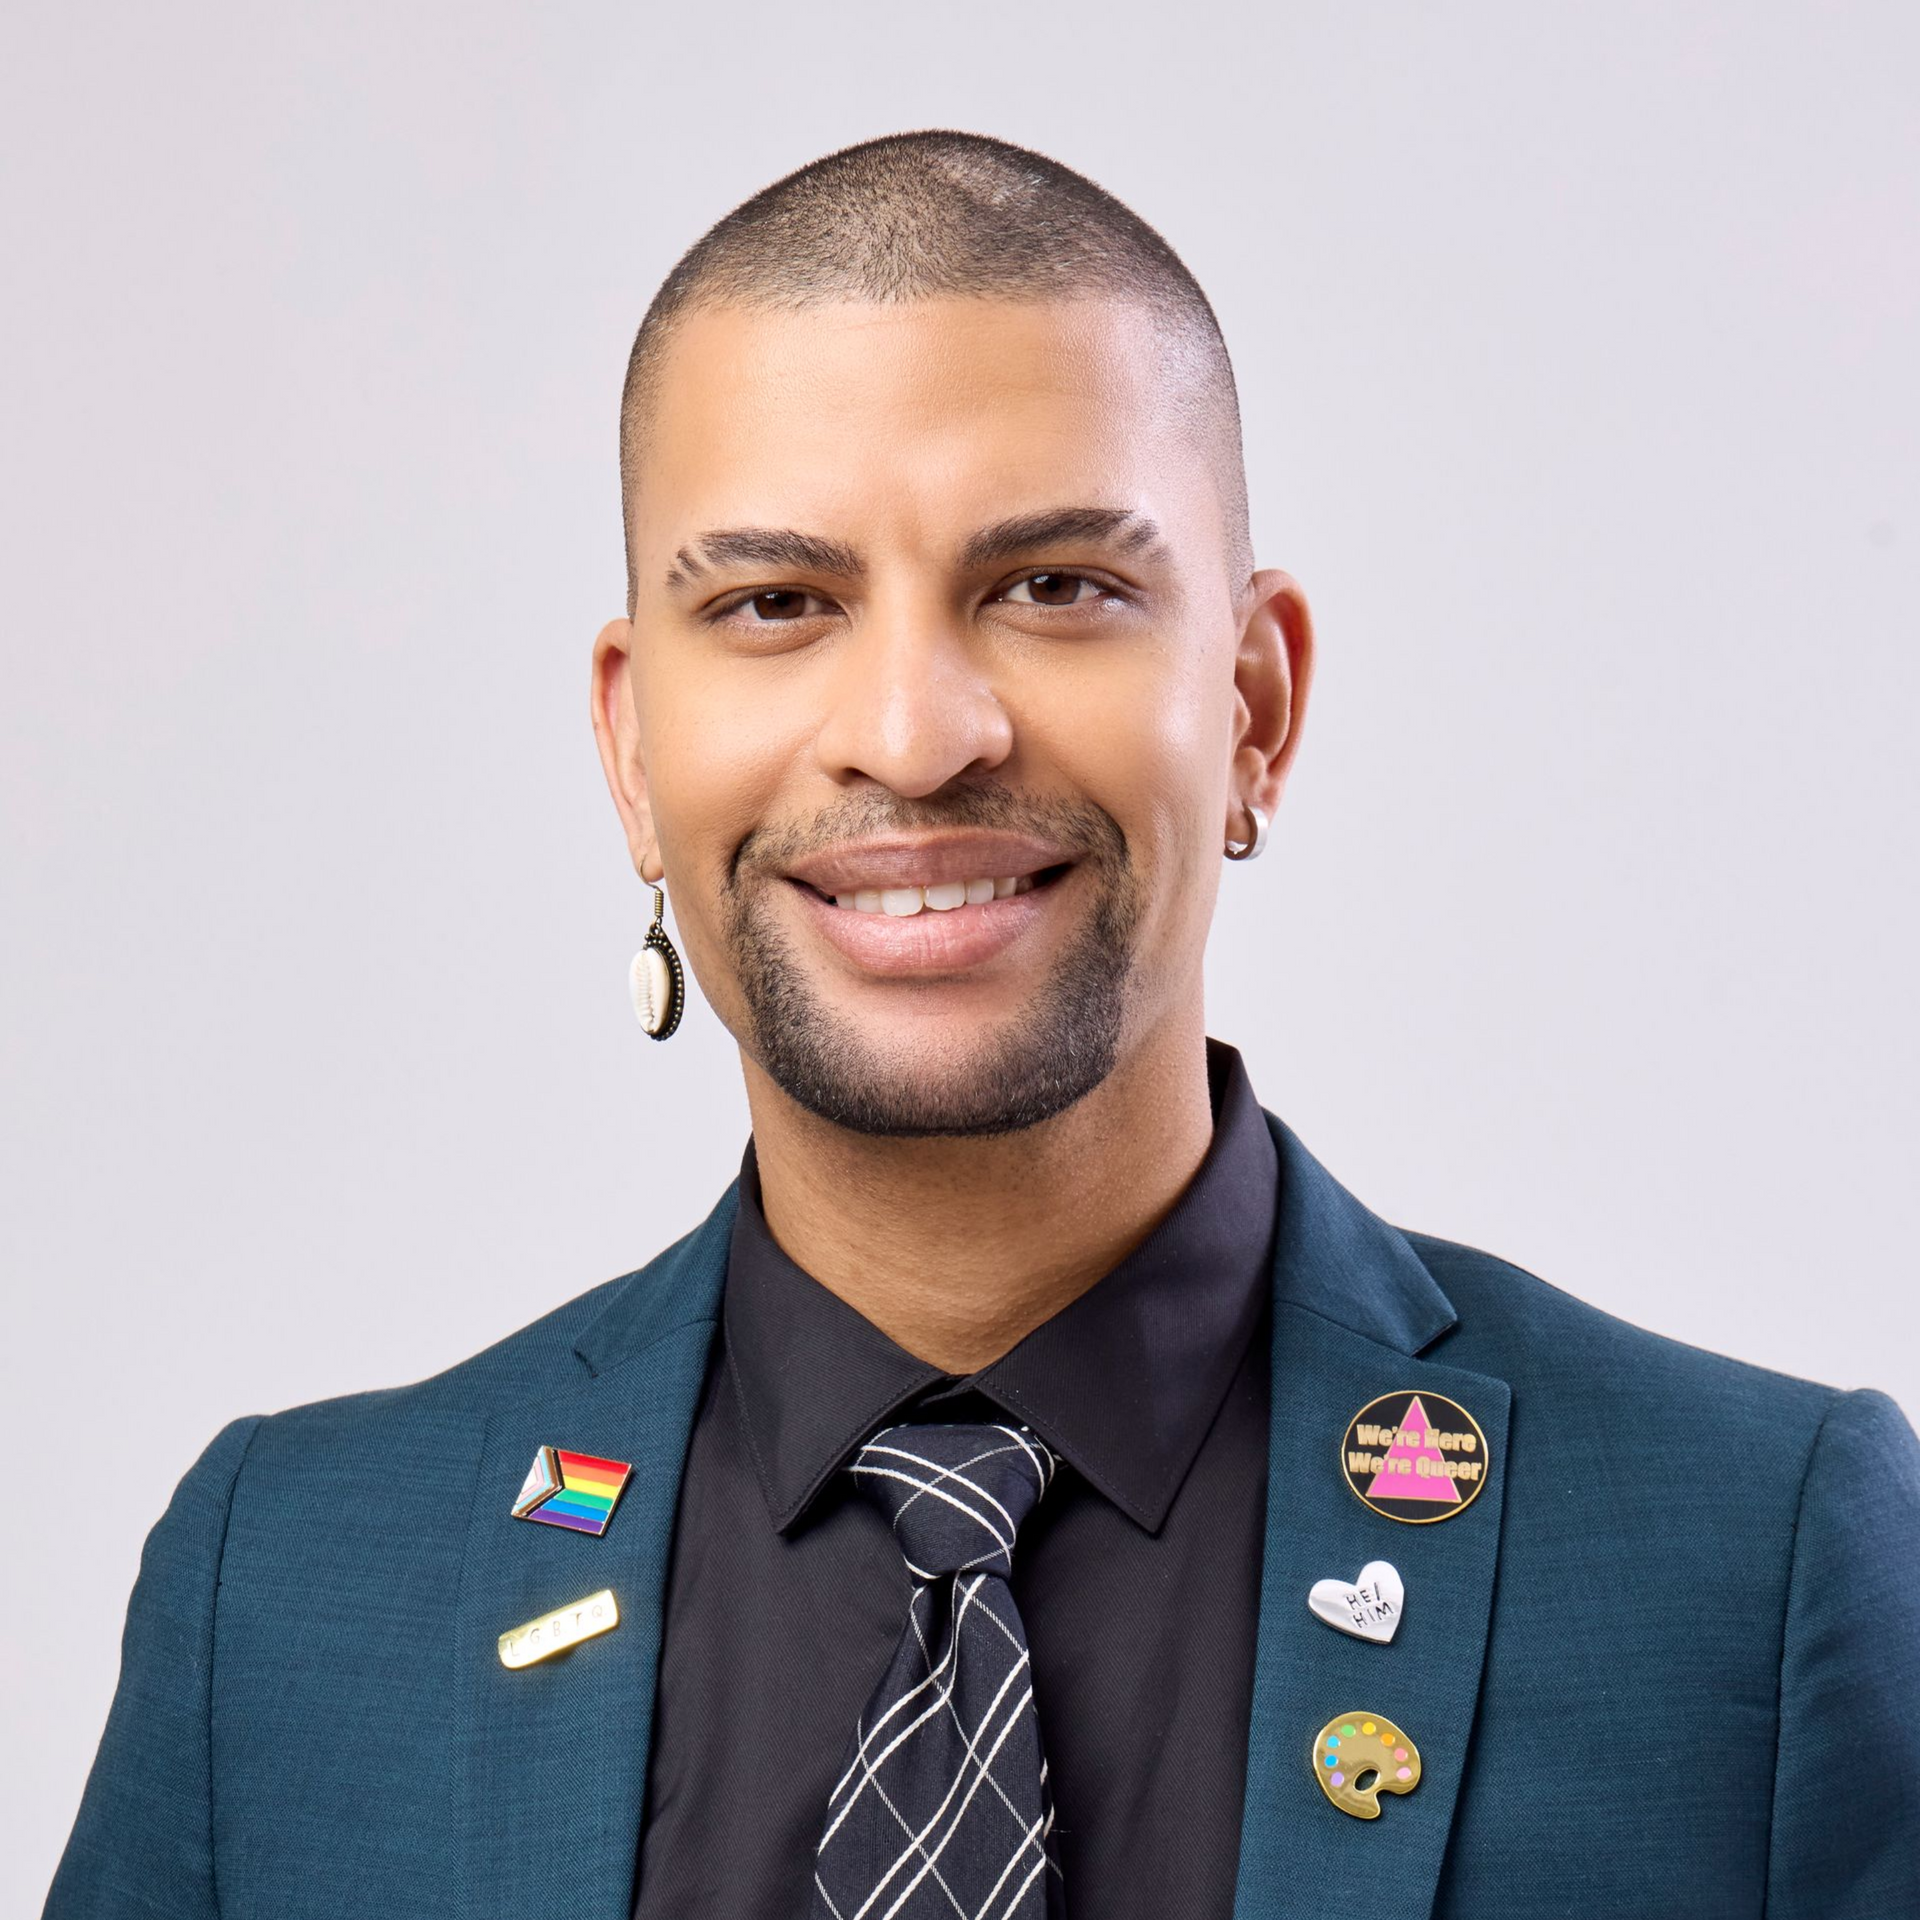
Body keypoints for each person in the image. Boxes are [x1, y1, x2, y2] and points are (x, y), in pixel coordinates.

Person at [45, 129, 1920, 1920]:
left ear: (1255, 706)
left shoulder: (1757, 1570)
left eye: (1053, 589)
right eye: (777, 602)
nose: (920, 730)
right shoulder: (280, 1605)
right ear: (631, 750)